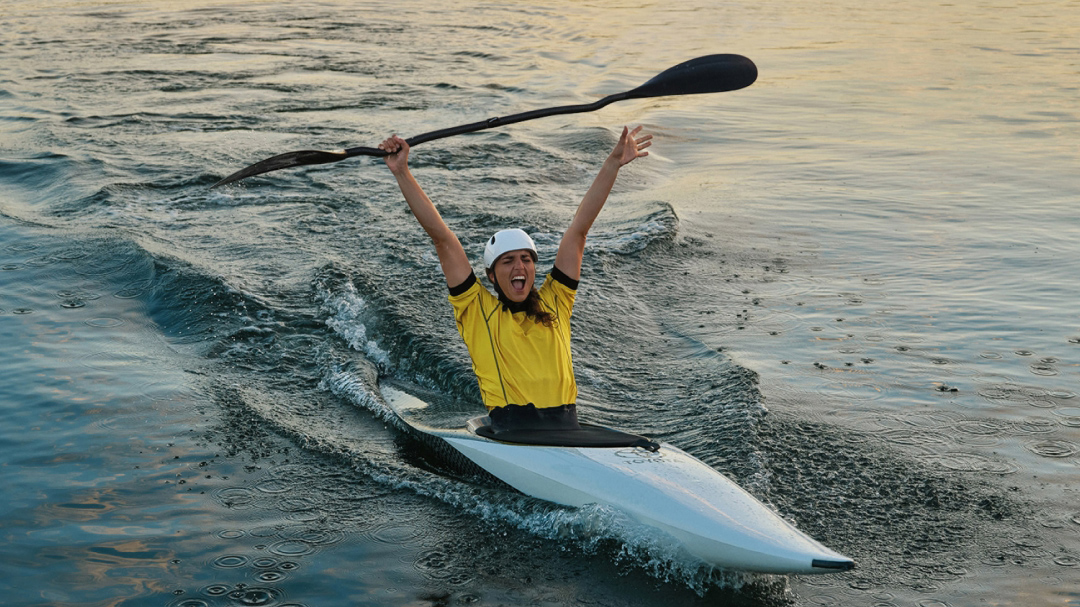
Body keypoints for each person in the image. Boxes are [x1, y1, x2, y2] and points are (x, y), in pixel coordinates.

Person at [378, 126, 652, 433]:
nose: (518, 266)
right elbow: (442, 238)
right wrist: (401, 171)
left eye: (525, 259)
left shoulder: (556, 300)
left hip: (568, 431)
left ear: (534, 269)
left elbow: (579, 229)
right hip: (513, 435)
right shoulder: (478, 311)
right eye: (507, 261)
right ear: (492, 276)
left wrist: (613, 163)